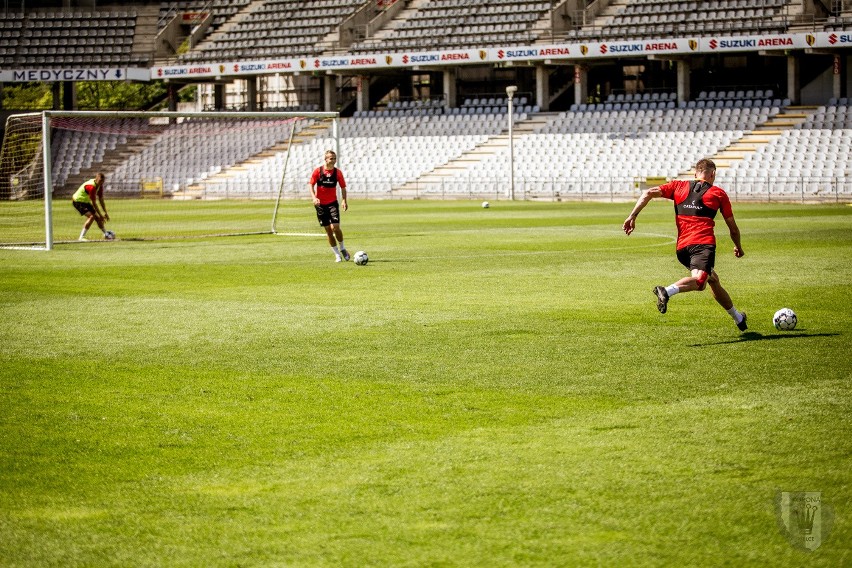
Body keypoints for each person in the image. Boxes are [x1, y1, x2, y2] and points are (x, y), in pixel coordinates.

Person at [622, 158, 748, 331]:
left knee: (712, 280)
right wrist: (738, 247)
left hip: (682, 249)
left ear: (695, 173)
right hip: (702, 246)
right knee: (699, 281)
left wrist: (632, 216)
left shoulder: (678, 186)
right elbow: (733, 228)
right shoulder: (718, 193)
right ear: (713, 174)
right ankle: (666, 291)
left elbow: (648, 193)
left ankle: (739, 318)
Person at [308, 149, 350, 262]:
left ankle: (343, 248)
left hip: (332, 204)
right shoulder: (318, 171)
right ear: (325, 159)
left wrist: (344, 200)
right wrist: (314, 198)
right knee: (328, 230)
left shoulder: (338, 173)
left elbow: (343, 187)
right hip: (320, 205)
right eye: (331, 158)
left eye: (335, 158)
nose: (333, 160)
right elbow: (311, 185)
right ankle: (337, 254)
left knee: (335, 227)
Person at [71, 172, 110, 241]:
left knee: (97, 218)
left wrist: (105, 212)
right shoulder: (91, 187)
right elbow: (94, 203)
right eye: (100, 181)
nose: (101, 183)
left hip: (85, 201)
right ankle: (81, 237)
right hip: (78, 201)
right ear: (96, 179)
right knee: (92, 216)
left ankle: (106, 234)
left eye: (103, 182)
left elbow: (101, 200)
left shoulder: (100, 186)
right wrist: (100, 215)